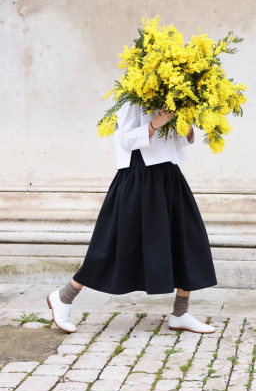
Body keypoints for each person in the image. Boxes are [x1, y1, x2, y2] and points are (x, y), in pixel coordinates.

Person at [47, 101, 218, 334]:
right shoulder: (132, 97)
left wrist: (186, 120)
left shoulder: (173, 93)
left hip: (168, 174)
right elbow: (125, 139)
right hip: (138, 176)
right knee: (114, 244)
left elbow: (181, 140)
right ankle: (63, 297)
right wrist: (157, 122)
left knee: (186, 238)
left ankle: (180, 313)